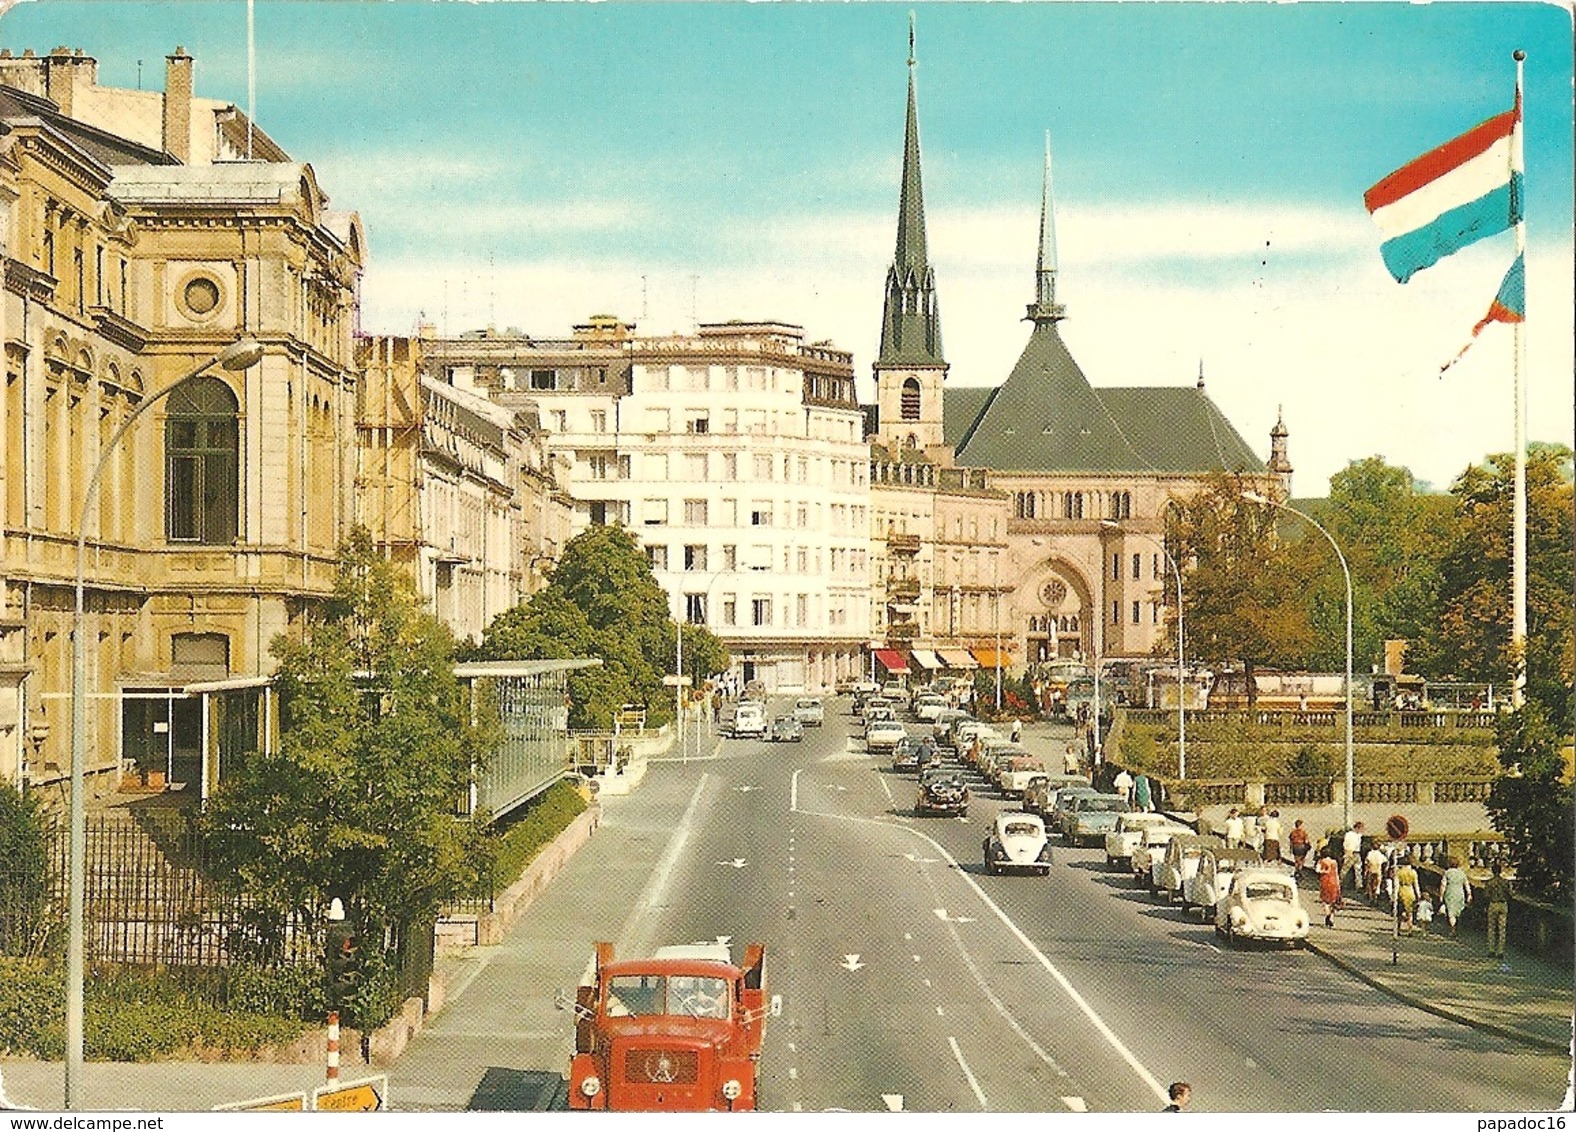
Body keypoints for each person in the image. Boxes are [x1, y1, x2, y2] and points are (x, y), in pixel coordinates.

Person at [1480, 861, 1512, 959]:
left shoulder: (1489, 882)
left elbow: (1485, 895)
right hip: (1503, 904)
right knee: (1502, 929)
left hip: (1493, 904)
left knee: (1491, 928)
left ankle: (1491, 950)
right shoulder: (1505, 882)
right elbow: (1510, 894)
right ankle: (1500, 951)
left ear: (1492, 871)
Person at [1439, 856, 1472, 938]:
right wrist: (1469, 894)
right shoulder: (1462, 873)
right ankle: (1458, 928)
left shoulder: (1447, 873)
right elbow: (1466, 884)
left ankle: (1453, 930)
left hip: (1450, 893)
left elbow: (1443, 885)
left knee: (1451, 913)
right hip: (1460, 893)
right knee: (1458, 911)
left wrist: (1441, 895)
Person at [1394, 853, 1420, 931]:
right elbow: (1416, 885)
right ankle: (1410, 928)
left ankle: (1398, 928)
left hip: (1402, 891)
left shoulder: (1399, 872)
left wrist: (1394, 895)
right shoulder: (1413, 872)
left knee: (1399, 912)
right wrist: (1418, 895)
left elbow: (1396, 885)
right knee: (1410, 912)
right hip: (1410, 891)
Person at [1316, 850, 1342, 927]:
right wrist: (1338, 884)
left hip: (1325, 882)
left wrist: (1324, 871)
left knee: (1326, 901)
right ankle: (1332, 918)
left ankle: (1327, 915)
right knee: (1333, 901)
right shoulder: (1334, 862)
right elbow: (1337, 873)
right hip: (1334, 882)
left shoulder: (1321, 861)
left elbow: (1317, 870)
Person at [1342, 822, 1366, 891]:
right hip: (1350, 851)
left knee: (1358, 869)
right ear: (1357, 828)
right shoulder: (1350, 834)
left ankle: (1358, 885)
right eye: (1361, 829)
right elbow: (1346, 844)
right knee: (1345, 869)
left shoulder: (1358, 835)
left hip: (1356, 853)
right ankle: (1341, 882)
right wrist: (1347, 852)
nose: (1362, 830)